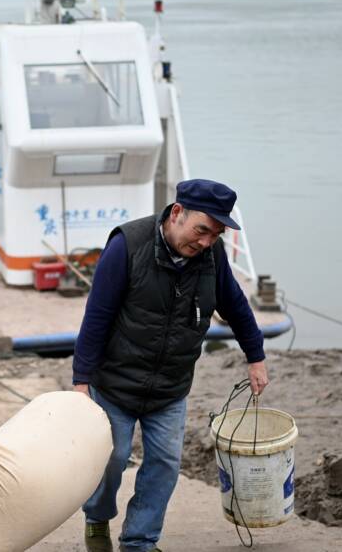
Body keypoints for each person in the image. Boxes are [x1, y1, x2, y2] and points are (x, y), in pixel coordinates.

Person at [72, 179, 269, 552]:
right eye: (203, 231)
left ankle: (139, 542)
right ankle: (97, 519)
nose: (207, 242)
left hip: (171, 387)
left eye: (216, 234)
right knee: (110, 459)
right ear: (177, 213)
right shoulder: (127, 246)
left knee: (164, 464)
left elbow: (236, 306)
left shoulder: (212, 257)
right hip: (115, 382)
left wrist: (255, 356)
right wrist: (82, 381)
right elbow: (96, 316)